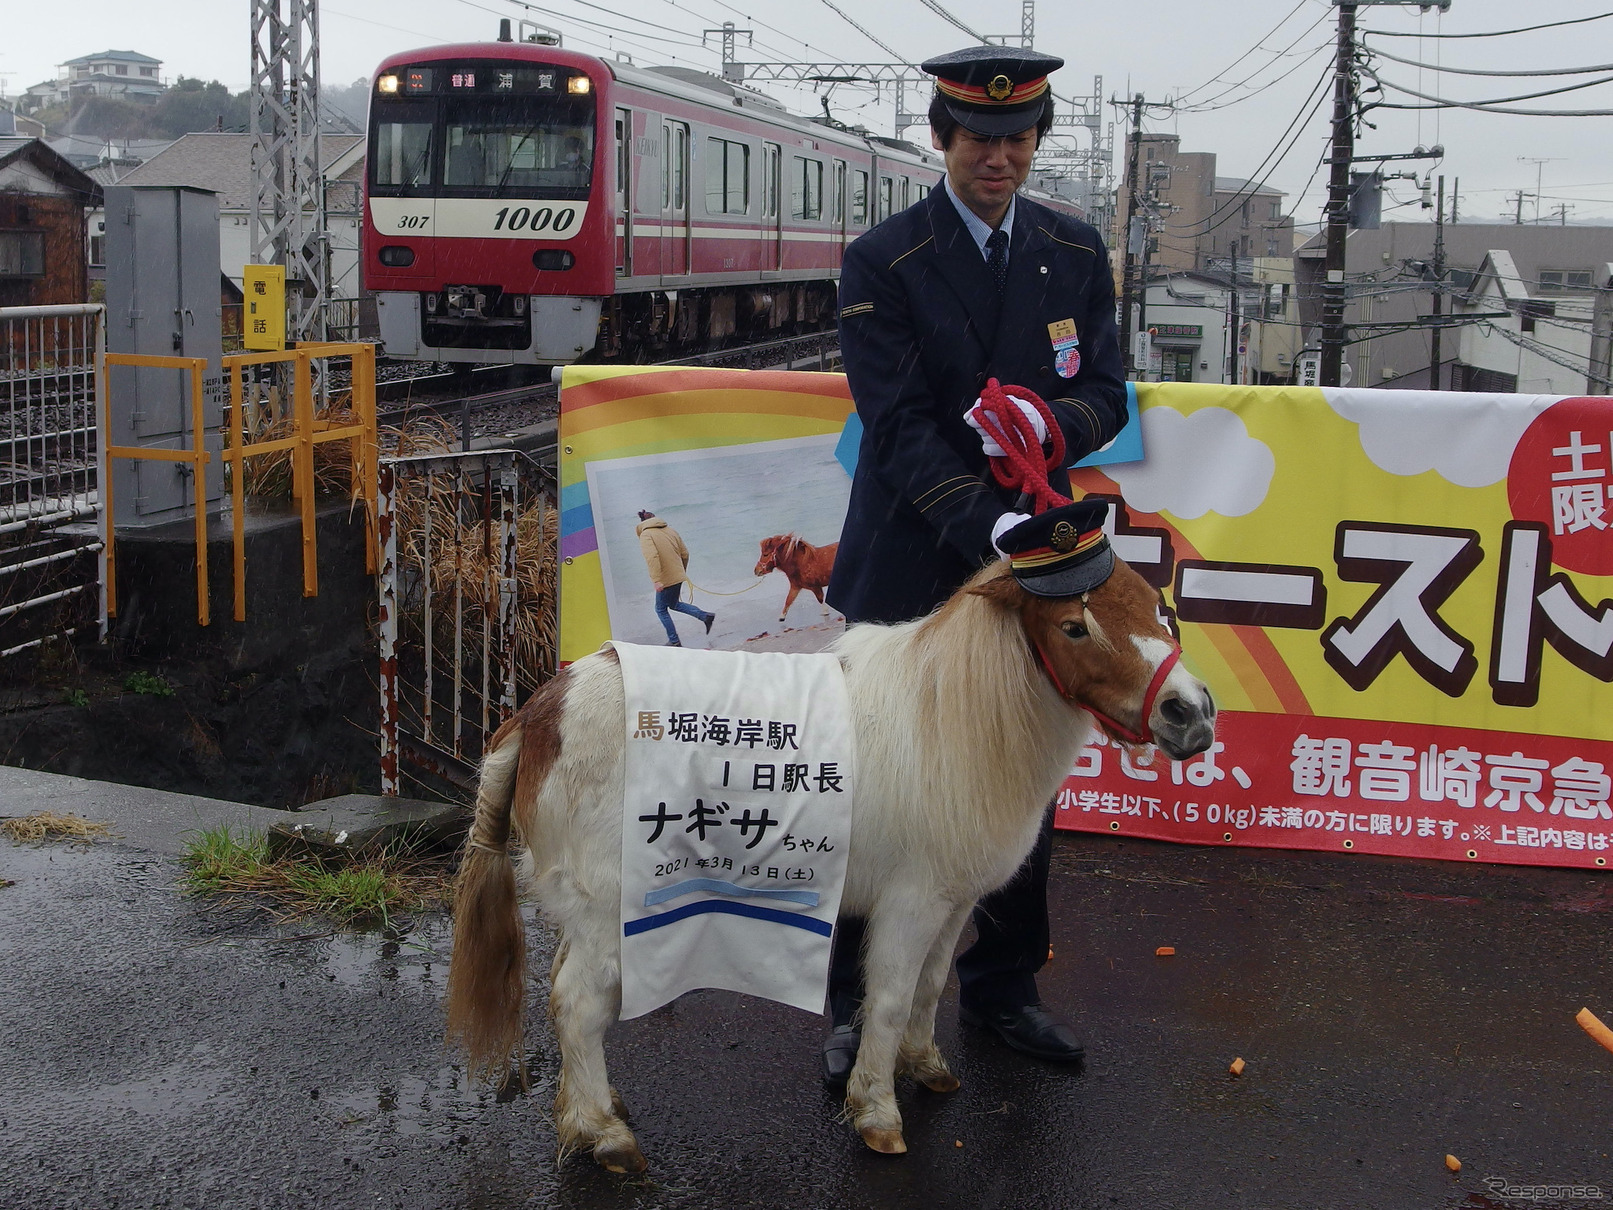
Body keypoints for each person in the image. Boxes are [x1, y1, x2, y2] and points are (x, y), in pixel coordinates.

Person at [820, 45, 1129, 1084]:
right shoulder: (883, 260)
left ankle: (1003, 990)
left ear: (1035, 141)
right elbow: (896, 425)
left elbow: (1111, 391)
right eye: (977, 140)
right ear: (940, 138)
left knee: (1014, 780)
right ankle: (847, 1007)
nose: (996, 158)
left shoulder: (1075, 251)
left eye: (1015, 140)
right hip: (914, 556)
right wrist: (986, 527)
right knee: (868, 791)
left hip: (1034, 561)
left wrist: (1054, 421)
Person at [636, 509, 715, 646]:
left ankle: (674, 641)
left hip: (665, 579)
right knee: (673, 604)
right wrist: (681, 571)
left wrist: (656, 580)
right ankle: (705, 616)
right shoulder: (671, 530)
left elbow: (652, 557)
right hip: (678, 575)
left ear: (642, 522)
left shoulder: (646, 535)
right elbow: (685, 554)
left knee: (660, 609)